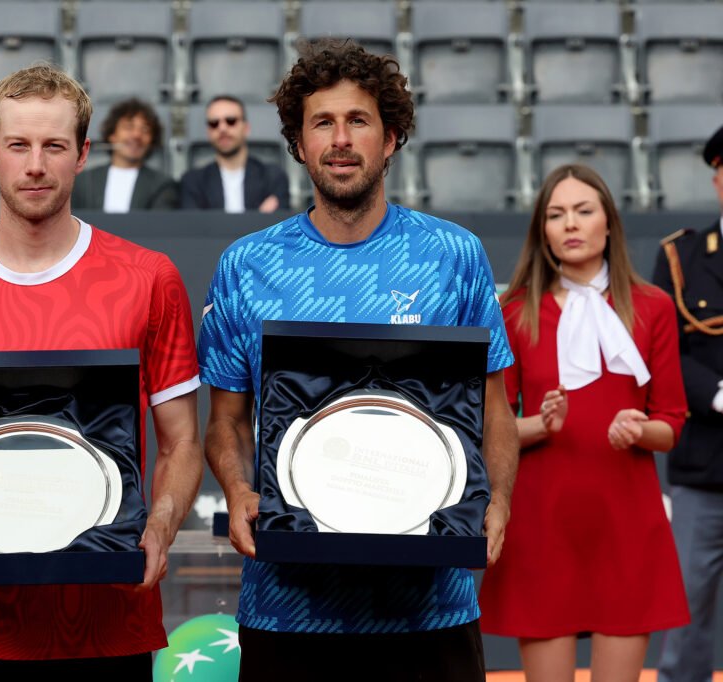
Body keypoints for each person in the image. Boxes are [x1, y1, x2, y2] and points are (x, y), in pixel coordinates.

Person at [0, 63, 203, 680]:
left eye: (54, 146)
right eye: (18, 145)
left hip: (107, 627)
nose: (35, 165)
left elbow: (182, 441)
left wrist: (160, 527)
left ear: (83, 154)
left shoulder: (149, 279)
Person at [198, 39, 518, 680]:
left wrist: (500, 499)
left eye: (358, 120)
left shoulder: (452, 255)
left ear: (391, 136)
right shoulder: (247, 265)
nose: (340, 139)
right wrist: (237, 491)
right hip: (288, 610)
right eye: (322, 122)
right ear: (299, 142)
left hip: (431, 610)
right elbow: (227, 422)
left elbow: (494, 408)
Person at [478, 163, 689, 680]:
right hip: (543, 525)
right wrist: (540, 425)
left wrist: (639, 430)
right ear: (542, 232)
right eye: (556, 214)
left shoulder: (654, 307)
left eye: (583, 211)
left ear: (609, 224)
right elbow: (494, 428)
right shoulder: (514, 311)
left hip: (626, 523)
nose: (570, 223)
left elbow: (670, 424)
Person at [655, 123, 723, 682]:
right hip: (704, 467)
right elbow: (666, 350)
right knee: (689, 611)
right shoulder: (681, 257)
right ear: (717, 179)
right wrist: (720, 394)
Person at [180, 95, 290, 213]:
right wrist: (258, 217)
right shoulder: (193, 182)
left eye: (231, 121)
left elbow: (279, 228)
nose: (222, 128)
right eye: (214, 123)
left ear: (246, 128)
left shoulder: (273, 177)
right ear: (208, 132)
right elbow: (193, 229)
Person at [71, 97, 178, 211]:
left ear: (151, 141)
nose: (137, 135)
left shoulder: (162, 185)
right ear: (112, 135)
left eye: (145, 129)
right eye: (129, 127)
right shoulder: (84, 181)